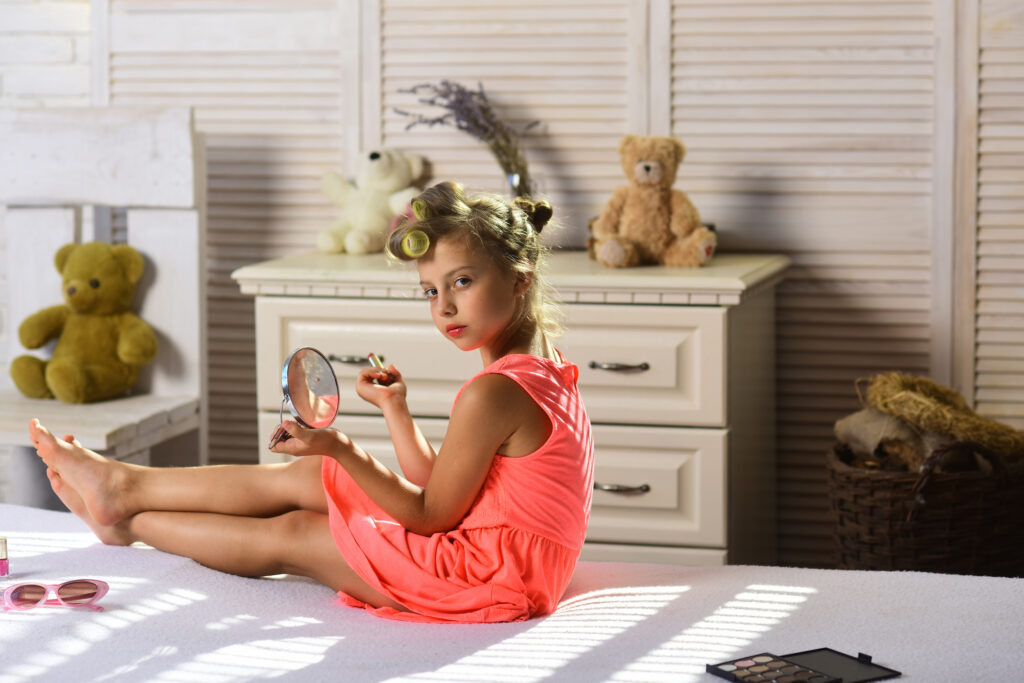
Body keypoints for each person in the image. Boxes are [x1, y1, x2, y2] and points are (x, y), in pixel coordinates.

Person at [28, 180, 595, 624]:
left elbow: (430, 515)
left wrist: (342, 446)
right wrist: (396, 410)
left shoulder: (495, 390)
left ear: (520, 279)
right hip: (516, 564)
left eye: (462, 282)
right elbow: (447, 488)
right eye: (431, 290)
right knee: (310, 479)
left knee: (298, 534)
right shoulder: (544, 371)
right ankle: (124, 487)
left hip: (487, 579)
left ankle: (127, 524)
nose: (443, 306)